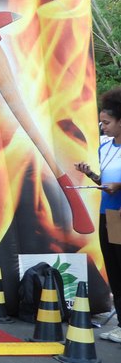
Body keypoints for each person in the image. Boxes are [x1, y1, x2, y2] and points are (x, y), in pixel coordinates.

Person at [75, 88, 121, 342]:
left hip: (119, 214)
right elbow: (106, 180)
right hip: (108, 212)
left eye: (107, 123)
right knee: (113, 267)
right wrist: (91, 175)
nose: (103, 127)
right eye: (101, 122)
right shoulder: (105, 146)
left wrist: (119, 186)